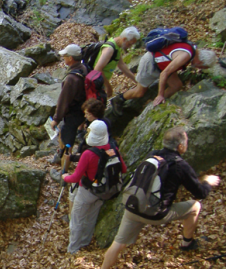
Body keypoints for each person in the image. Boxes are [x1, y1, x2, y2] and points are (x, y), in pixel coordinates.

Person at [101, 127, 220, 269]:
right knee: (195, 206)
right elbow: (201, 193)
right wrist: (208, 181)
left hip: (134, 206)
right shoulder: (180, 165)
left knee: (118, 243)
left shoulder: (153, 155)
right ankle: (187, 243)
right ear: (180, 146)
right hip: (156, 213)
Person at [62, 120, 127, 254]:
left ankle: (73, 248)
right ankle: (85, 241)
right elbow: (124, 169)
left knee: (77, 218)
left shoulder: (89, 154)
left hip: (87, 191)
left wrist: (65, 177)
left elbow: (75, 177)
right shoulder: (113, 148)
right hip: (103, 191)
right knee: (91, 217)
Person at [111, 45, 217, 114]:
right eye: (202, 67)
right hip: (151, 62)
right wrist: (160, 94)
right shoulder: (186, 55)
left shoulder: (193, 50)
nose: (199, 69)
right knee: (139, 92)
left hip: (163, 65)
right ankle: (119, 99)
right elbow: (164, 74)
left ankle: (154, 104)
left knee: (176, 85)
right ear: (201, 62)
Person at [49, 44, 87, 167]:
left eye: (65, 56)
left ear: (70, 58)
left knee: (66, 142)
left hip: (73, 113)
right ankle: (61, 158)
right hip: (82, 110)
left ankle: (64, 171)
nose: (63, 58)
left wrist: (56, 119)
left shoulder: (71, 78)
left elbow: (63, 100)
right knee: (64, 135)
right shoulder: (83, 68)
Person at [93, 27, 141, 97]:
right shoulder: (110, 49)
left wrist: (136, 81)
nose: (130, 47)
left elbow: (122, 65)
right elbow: (97, 69)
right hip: (95, 83)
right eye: (130, 44)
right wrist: (108, 86)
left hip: (101, 82)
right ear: (124, 39)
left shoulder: (117, 47)